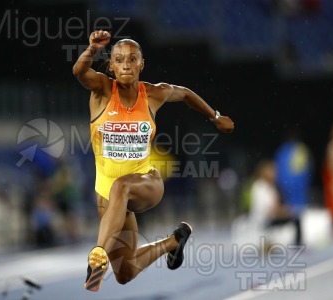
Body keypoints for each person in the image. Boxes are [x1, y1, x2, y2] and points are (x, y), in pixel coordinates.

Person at [73, 30, 234, 291]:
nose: (126, 64)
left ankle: (98, 255)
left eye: (132, 59)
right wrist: (91, 50)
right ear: (111, 65)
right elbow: (79, 72)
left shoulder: (153, 94)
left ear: (142, 64)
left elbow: (183, 93)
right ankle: (173, 242)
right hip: (108, 200)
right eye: (119, 59)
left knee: (122, 186)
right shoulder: (102, 90)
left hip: (146, 183)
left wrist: (215, 116)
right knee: (125, 272)